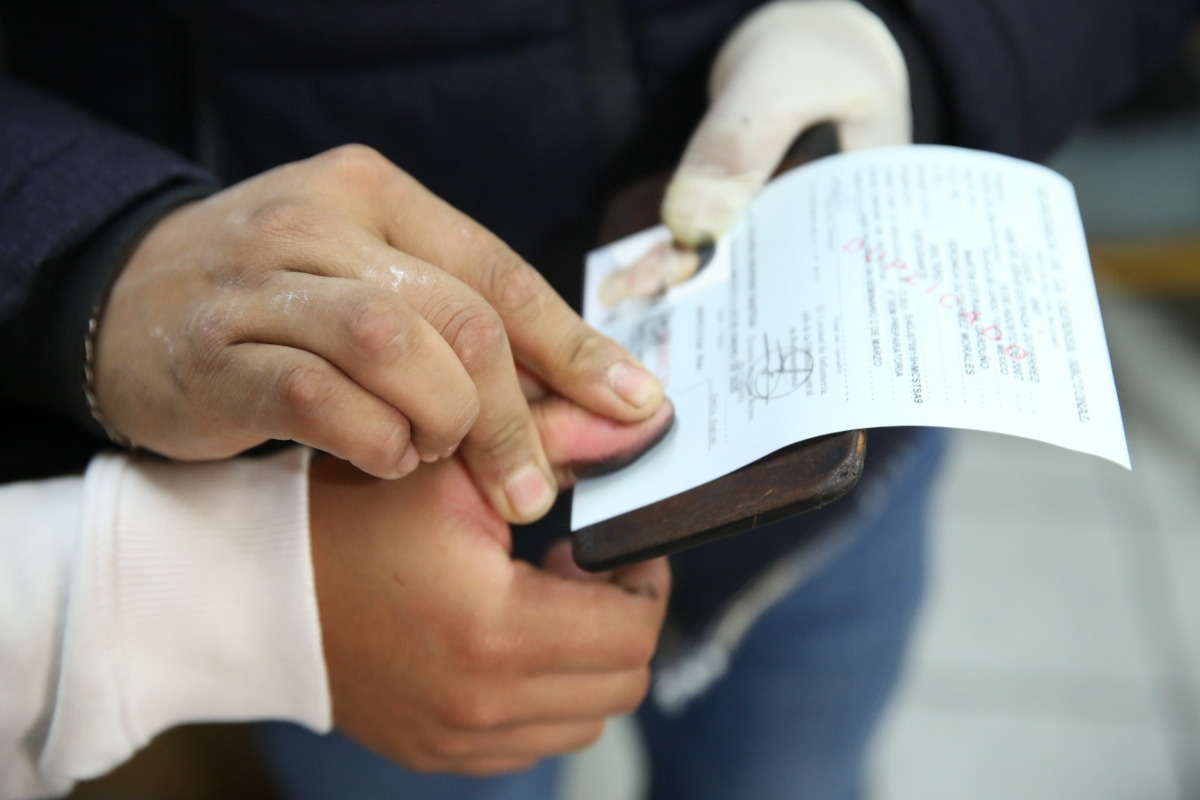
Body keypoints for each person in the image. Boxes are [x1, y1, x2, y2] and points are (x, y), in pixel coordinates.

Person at [2, 0, 1198, 798]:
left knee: (797, 761)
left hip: (827, 445)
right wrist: (92, 256)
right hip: (320, 515)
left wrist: (932, 46)